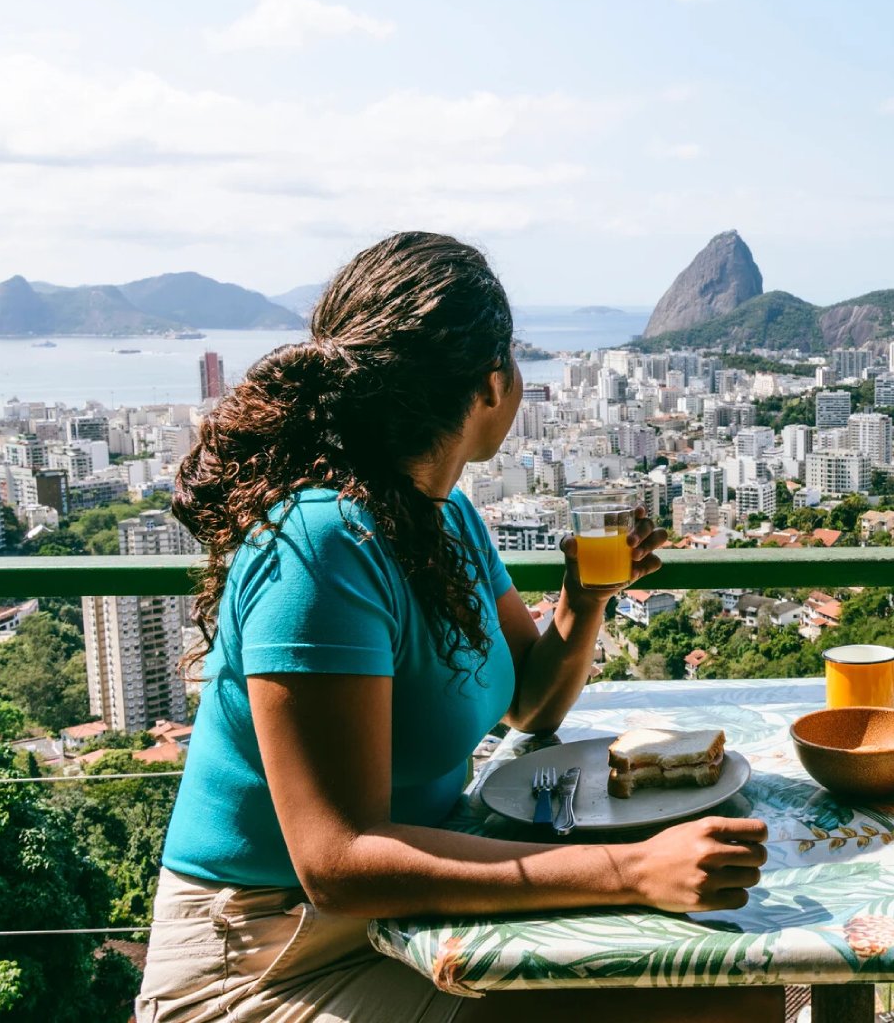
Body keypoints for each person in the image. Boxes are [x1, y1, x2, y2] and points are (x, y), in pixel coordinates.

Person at [137, 233, 779, 1022]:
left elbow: (533, 707)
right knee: (712, 997)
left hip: (408, 912)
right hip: (273, 954)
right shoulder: (321, 543)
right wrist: (631, 868)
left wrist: (585, 597)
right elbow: (336, 863)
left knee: (729, 979)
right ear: (490, 385)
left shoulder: (444, 516)